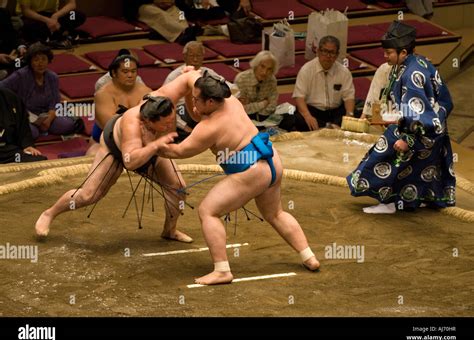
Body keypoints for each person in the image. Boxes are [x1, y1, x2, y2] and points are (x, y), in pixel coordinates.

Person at [152, 69, 320, 286]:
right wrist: (189, 73)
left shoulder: (209, 127)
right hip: (271, 161)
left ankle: (222, 270)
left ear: (211, 101)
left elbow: (179, 152)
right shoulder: (230, 99)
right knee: (276, 213)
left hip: (250, 171)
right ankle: (309, 257)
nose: (192, 104)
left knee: (208, 211)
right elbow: (196, 84)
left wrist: (153, 146)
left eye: (196, 99)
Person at [35, 94, 193, 244]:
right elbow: (130, 162)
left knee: (178, 187)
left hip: (151, 148)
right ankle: (50, 213)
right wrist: (154, 145)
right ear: (149, 121)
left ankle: (169, 230)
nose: (169, 125)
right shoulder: (132, 123)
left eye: (171, 120)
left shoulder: (162, 104)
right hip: (116, 150)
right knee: (89, 195)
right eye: (165, 123)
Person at [347, 21, 456, 214]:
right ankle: (411, 200)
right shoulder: (420, 62)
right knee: (415, 169)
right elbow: (444, 102)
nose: (385, 56)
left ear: (403, 52)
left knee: (386, 148)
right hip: (434, 129)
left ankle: (388, 202)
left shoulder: (411, 74)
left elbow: (419, 113)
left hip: (424, 130)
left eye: (389, 53)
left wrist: (408, 139)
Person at [0, 43, 81, 140]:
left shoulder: (52, 77)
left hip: (45, 115)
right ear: (30, 62)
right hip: (25, 116)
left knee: (67, 125)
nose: (40, 63)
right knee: (32, 133)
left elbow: (55, 103)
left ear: (48, 61)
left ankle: (43, 128)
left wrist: (49, 120)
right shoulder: (20, 75)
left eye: (43, 59)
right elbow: (2, 87)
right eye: (36, 60)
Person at [163, 41, 237, 140]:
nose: (195, 59)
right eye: (191, 56)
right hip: (183, 115)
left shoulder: (208, 72)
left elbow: (229, 86)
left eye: (198, 55)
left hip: (205, 111)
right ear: (184, 57)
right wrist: (184, 126)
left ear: (203, 57)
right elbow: (166, 106)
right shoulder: (174, 76)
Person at [88, 51, 151, 155]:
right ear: (114, 73)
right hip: (107, 140)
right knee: (93, 159)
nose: (130, 75)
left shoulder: (145, 91)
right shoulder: (103, 94)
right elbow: (109, 127)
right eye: (125, 72)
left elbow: (153, 121)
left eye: (133, 71)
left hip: (140, 138)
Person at [292, 35, 355, 131]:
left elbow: (349, 97)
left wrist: (349, 116)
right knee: (299, 119)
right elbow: (299, 97)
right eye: (325, 51)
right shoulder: (306, 70)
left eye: (332, 53)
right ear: (318, 52)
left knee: (357, 112)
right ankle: (330, 127)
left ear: (337, 55)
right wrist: (308, 116)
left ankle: (329, 127)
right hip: (314, 112)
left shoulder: (344, 72)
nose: (328, 56)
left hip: (335, 112)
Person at [0, 87, 46, 163]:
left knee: (37, 161)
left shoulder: (10, 97)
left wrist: (27, 145)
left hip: (9, 152)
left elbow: (23, 126)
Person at [234, 50, 279, 123]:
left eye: (269, 69)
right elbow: (241, 108)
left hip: (264, 116)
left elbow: (272, 105)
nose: (264, 72)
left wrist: (259, 117)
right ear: (256, 65)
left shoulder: (272, 80)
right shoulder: (241, 79)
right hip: (243, 117)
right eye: (262, 66)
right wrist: (263, 103)